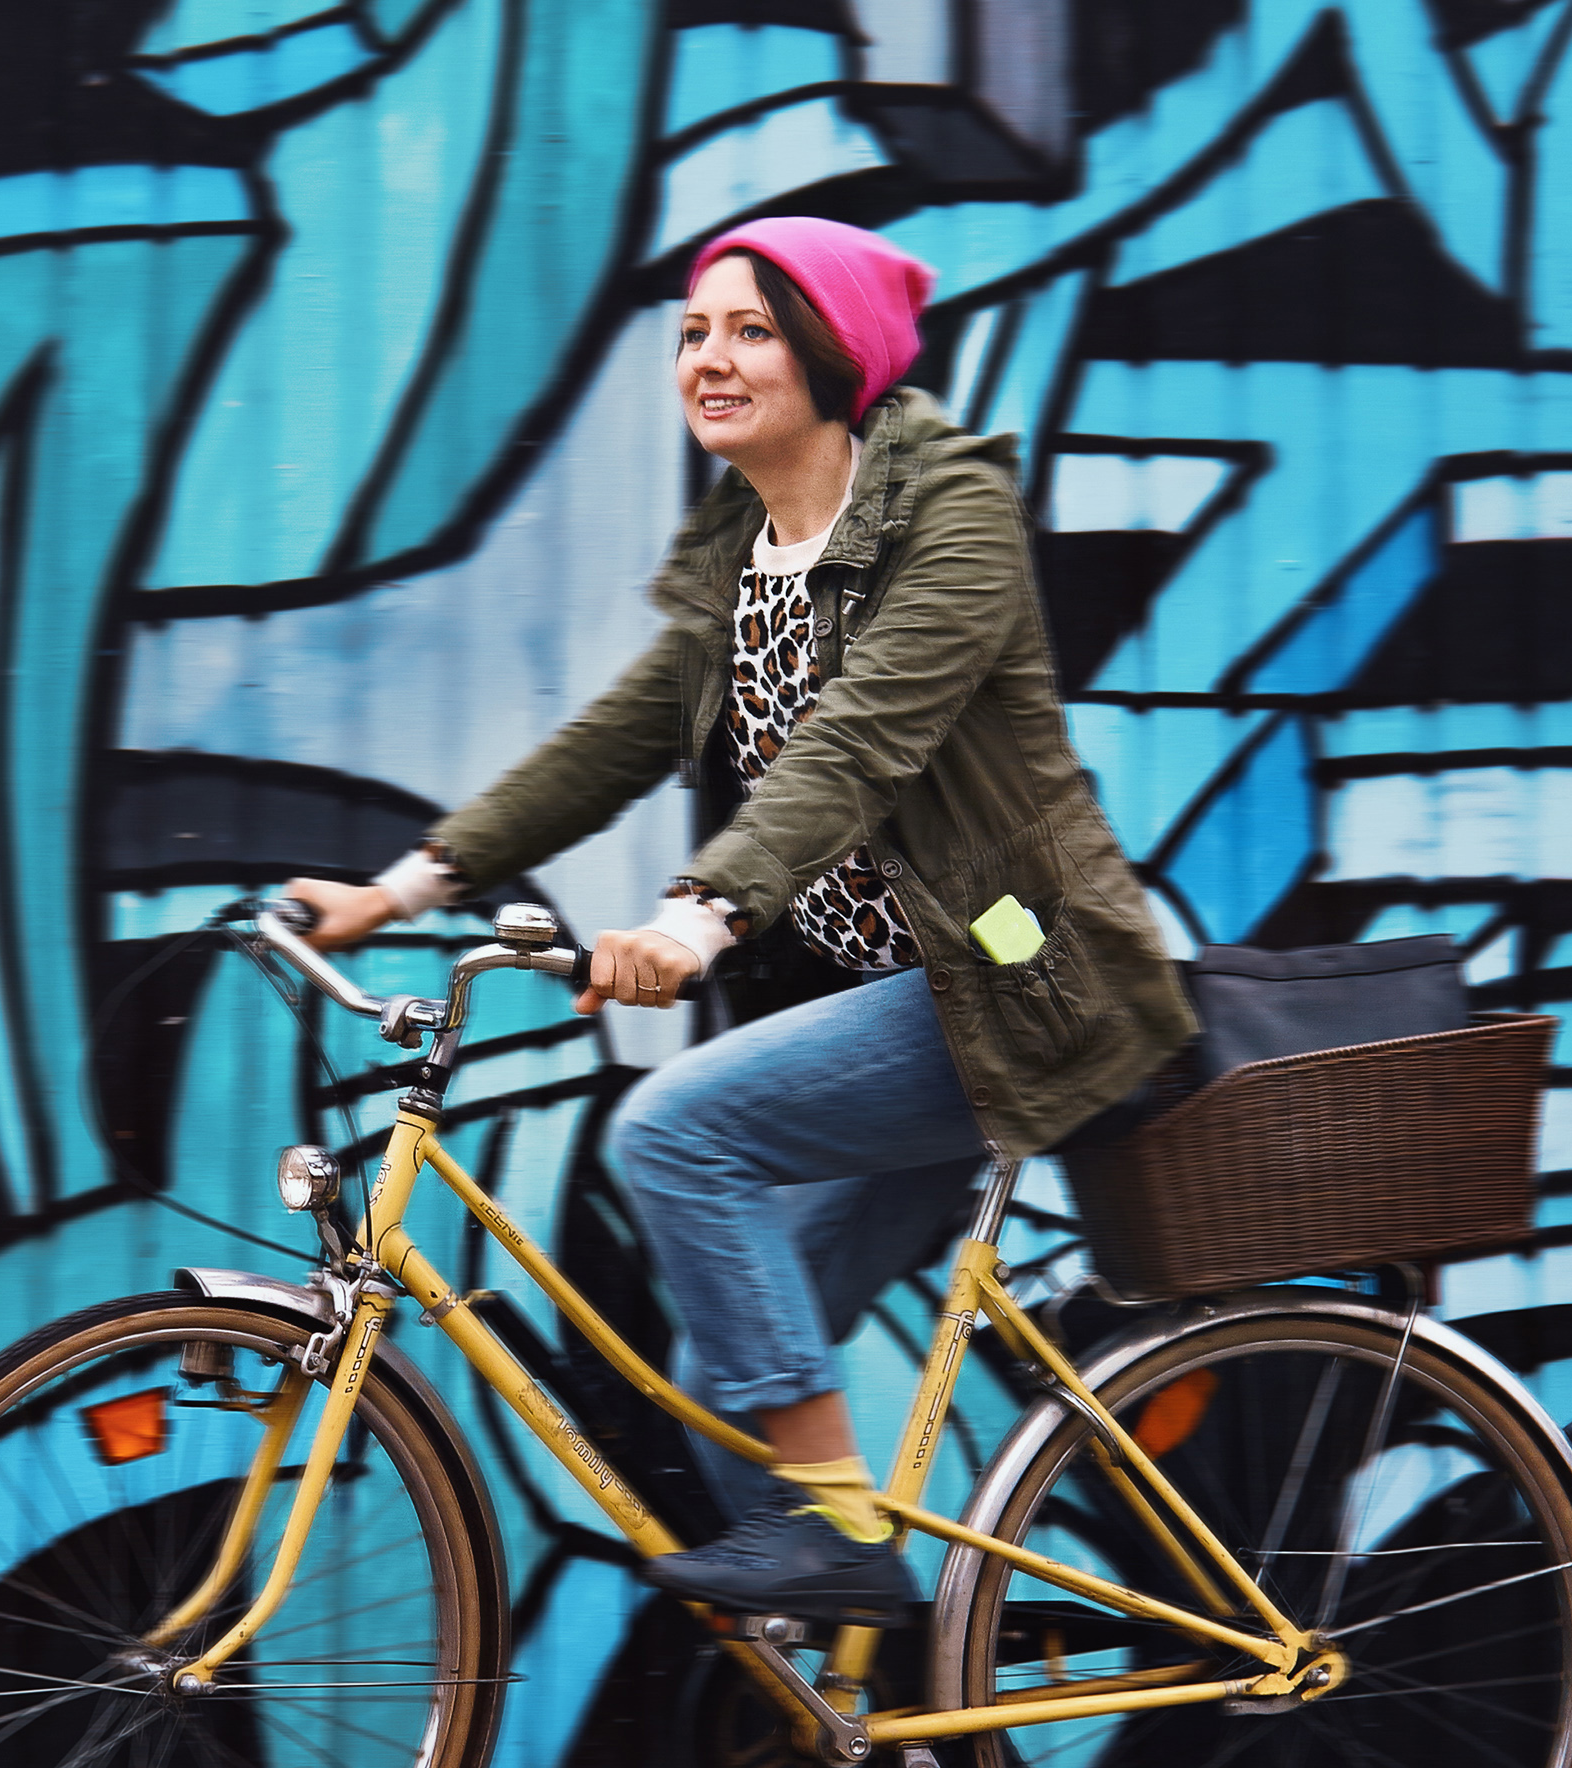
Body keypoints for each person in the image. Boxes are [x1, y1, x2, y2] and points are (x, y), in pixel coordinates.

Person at [288, 216, 1194, 1623]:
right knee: (729, 1377)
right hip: (911, 1006)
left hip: (1015, 978)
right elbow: (613, 741)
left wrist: (698, 921)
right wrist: (401, 890)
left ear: (834, 355)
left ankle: (841, 1546)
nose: (710, 358)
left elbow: (862, 741)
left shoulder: (945, 514)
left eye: (752, 331)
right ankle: (857, 1673)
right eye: (694, 334)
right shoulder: (749, 551)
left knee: (675, 1132)